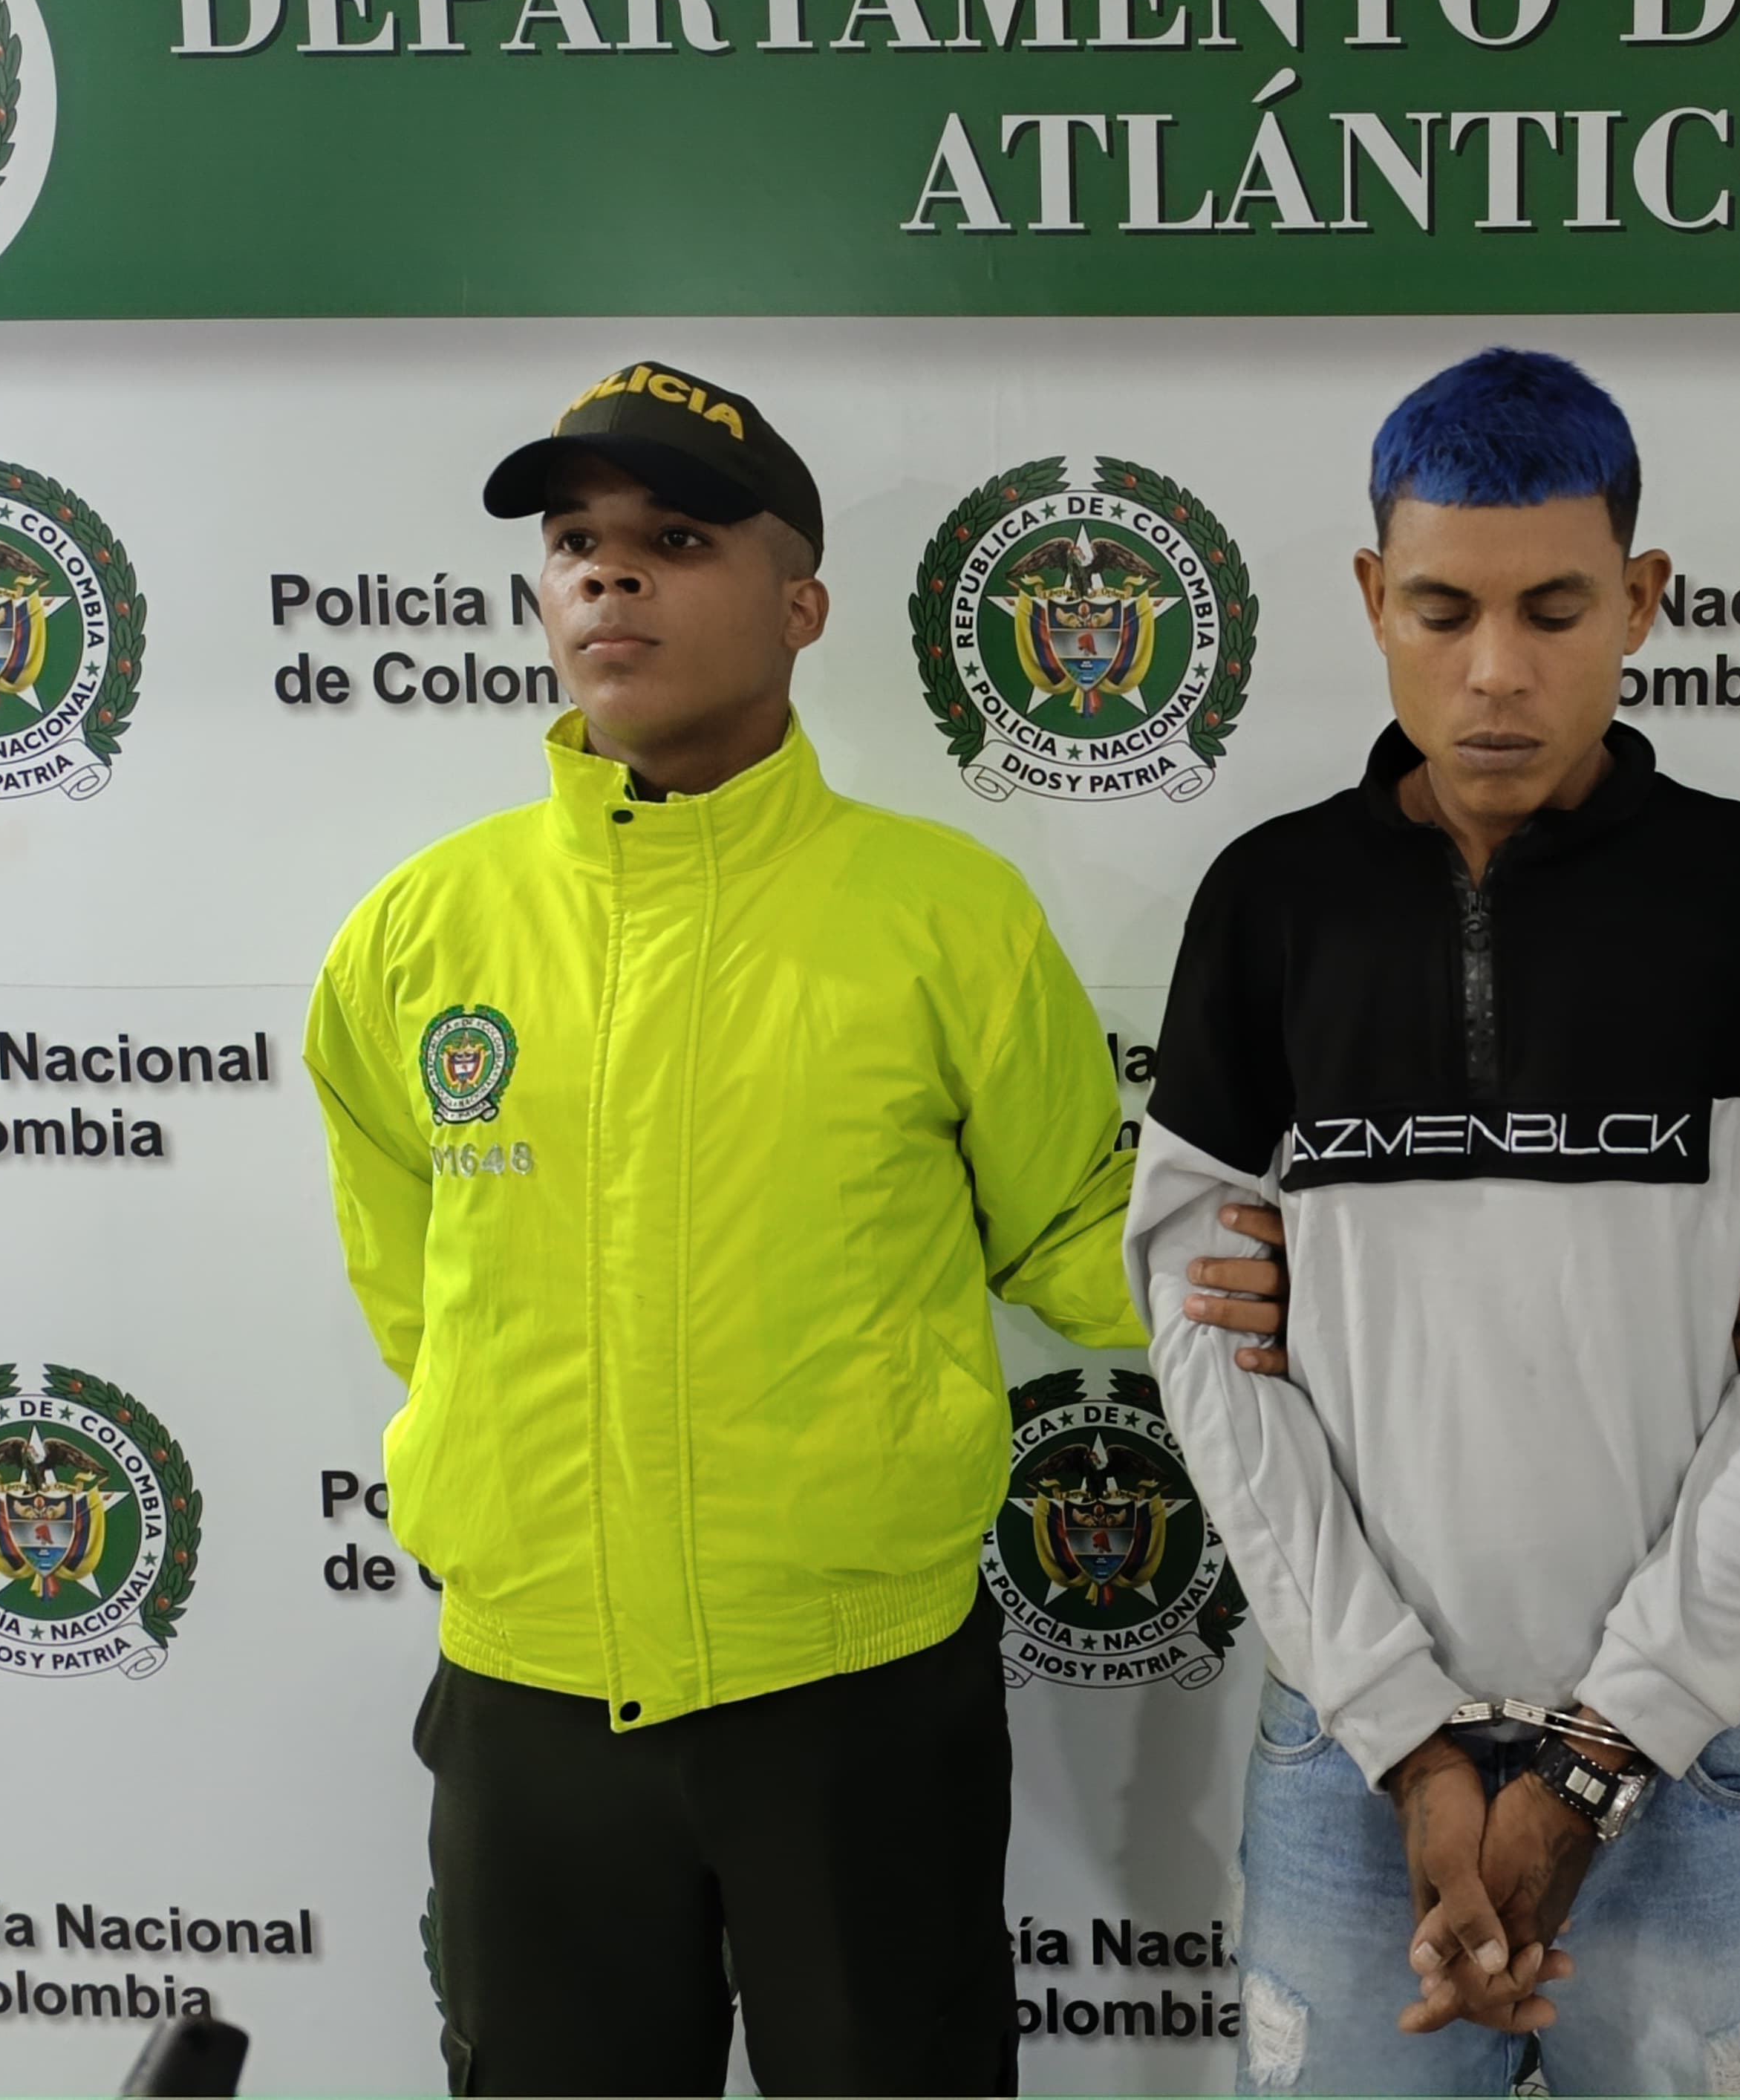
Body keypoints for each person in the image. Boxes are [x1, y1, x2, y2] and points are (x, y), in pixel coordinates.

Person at [302, 361, 1286, 2096]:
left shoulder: (943, 917)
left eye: (678, 539)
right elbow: (415, 1290)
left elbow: (1076, 1230)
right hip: (533, 1693)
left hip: (856, 1698)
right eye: (576, 541)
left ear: (801, 604)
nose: (611, 574)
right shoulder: (419, 933)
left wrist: (1332, 1287)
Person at [1125, 348, 1740, 2096]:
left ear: (1643, 599)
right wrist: (1409, 1740)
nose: (1496, 670)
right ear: (1370, 598)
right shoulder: (1268, 903)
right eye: (1442, 610)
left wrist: (1603, 1752)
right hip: (1353, 1755)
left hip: (1696, 1752)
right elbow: (1205, 1341)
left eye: (1556, 610)